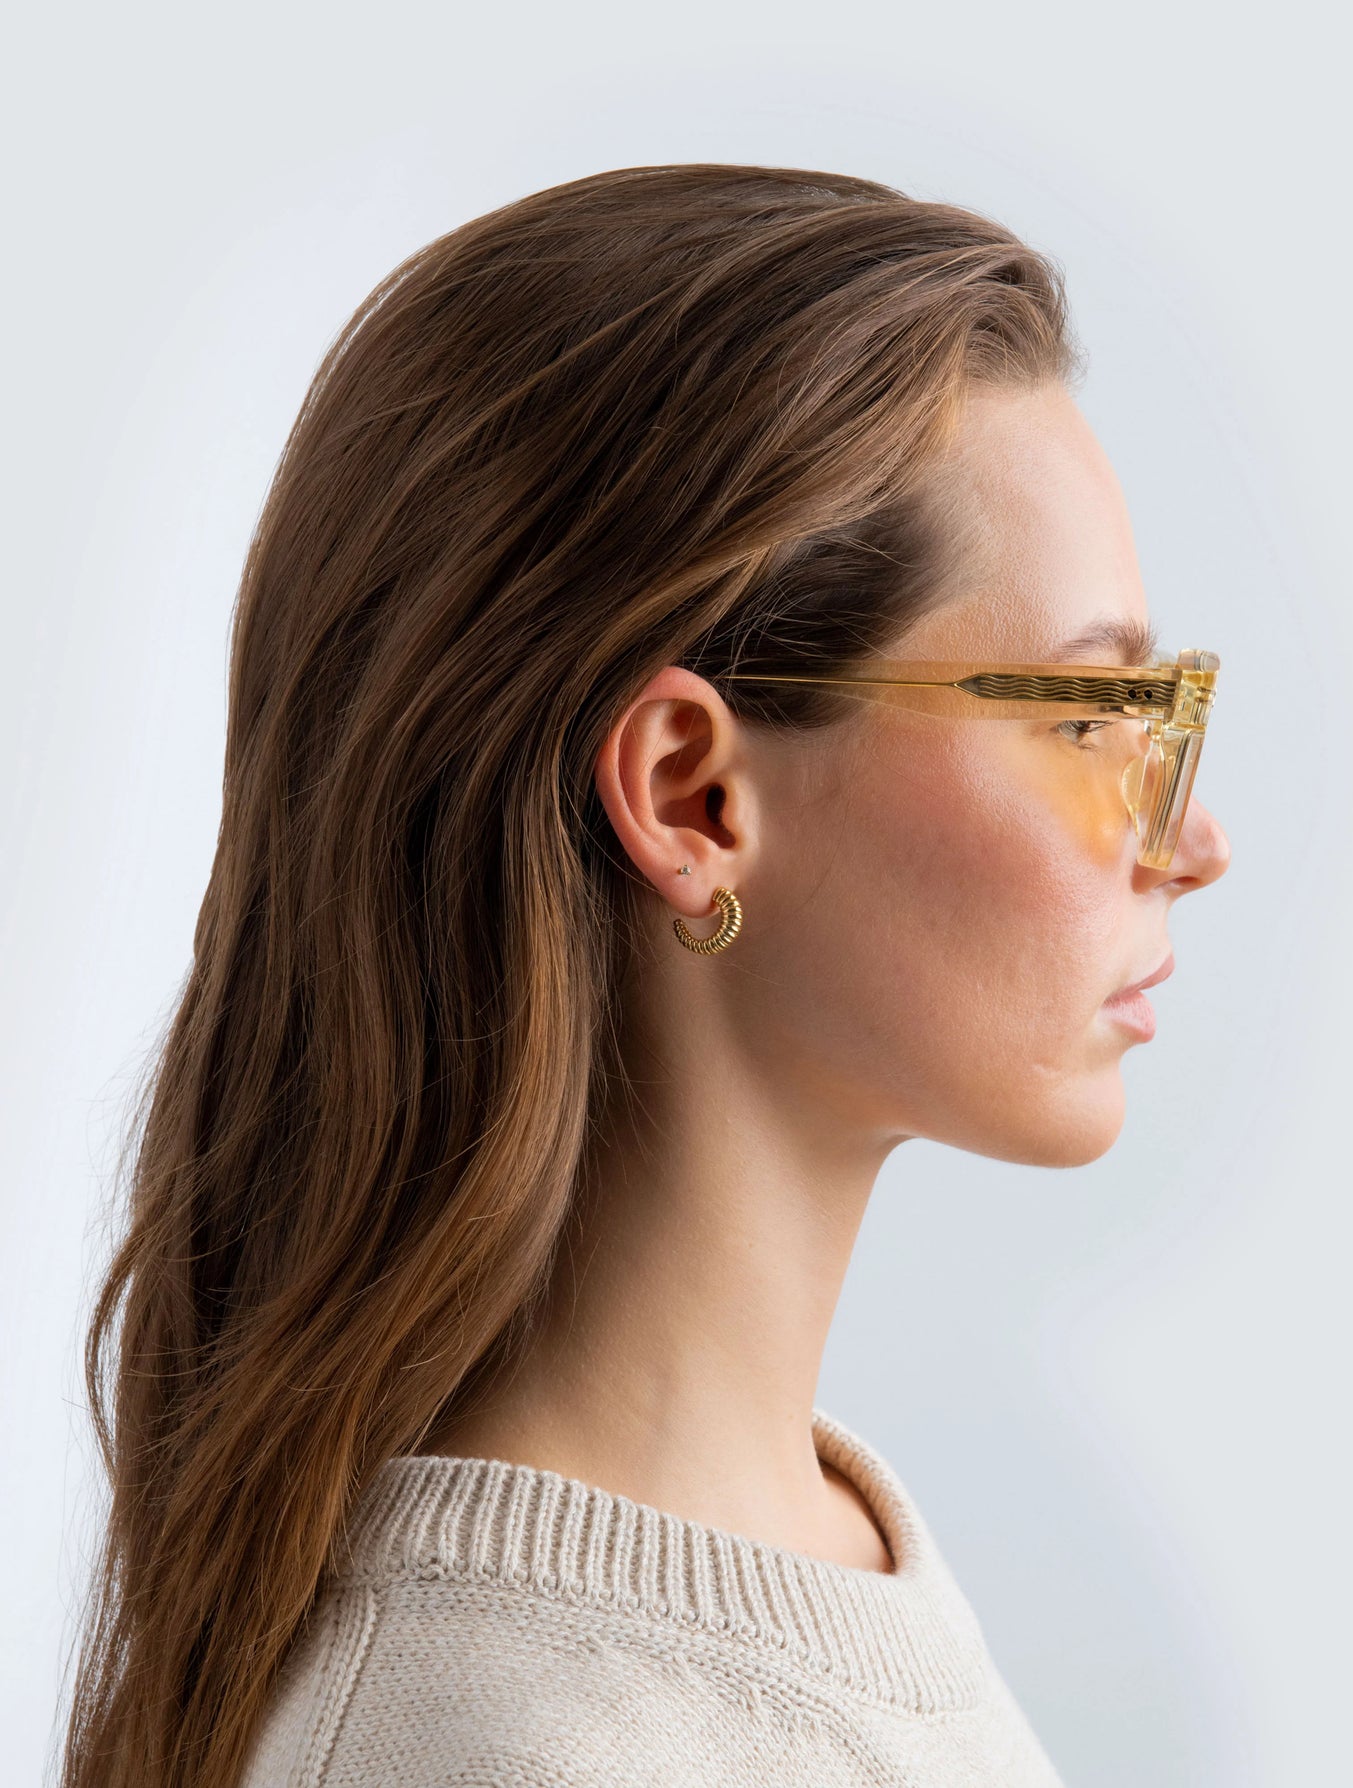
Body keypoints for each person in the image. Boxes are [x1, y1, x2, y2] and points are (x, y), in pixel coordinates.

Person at [58, 163, 1230, 1788]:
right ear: (693, 795)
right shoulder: (495, 1744)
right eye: (1090, 715)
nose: (1191, 839)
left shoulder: (817, 1569)